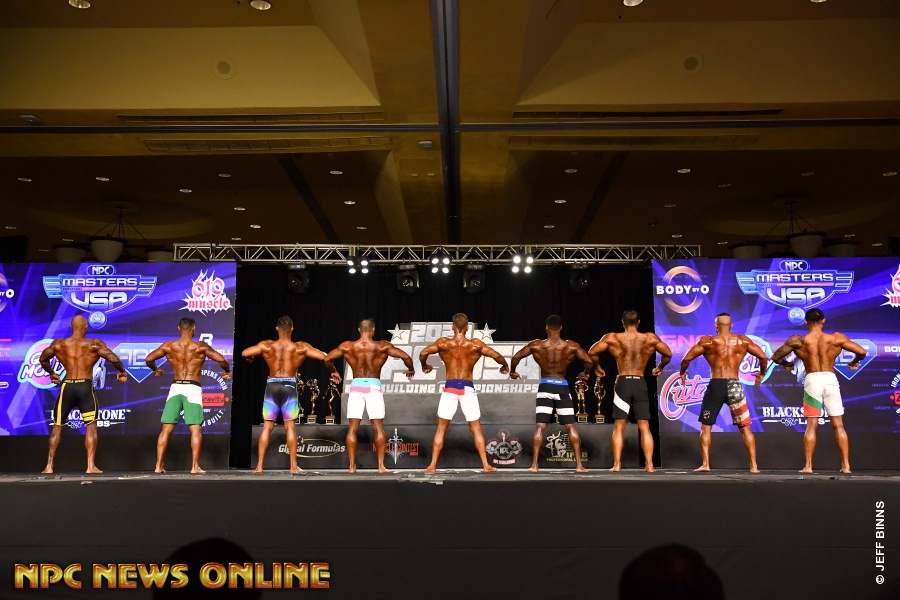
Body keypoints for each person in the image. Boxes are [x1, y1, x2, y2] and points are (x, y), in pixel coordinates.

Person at [770, 308, 865, 474]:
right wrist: (854, 361)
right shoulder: (836, 338)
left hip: (812, 380)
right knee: (838, 424)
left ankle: (808, 466)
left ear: (805, 322)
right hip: (830, 379)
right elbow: (862, 352)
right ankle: (846, 466)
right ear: (823, 321)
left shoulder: (798, 341)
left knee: (811, 425)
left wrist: (787, 364)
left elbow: (776, 356)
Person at [241, 315, 337, 474]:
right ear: (292, 329)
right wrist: (333, 371)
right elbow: (326, 358)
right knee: (290, 426)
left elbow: (245, 353)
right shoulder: (300, 347)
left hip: (272, 386)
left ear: (276, 328)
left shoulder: (267, 345)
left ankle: (259, 466)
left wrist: (250, 358)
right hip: (289, 386)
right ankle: (293, 466)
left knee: (267, 426)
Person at [419, 313, 509, 473]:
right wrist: (504, 366)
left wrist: (424, 365)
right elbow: (497, 356)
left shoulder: (444, 343)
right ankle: (486, 466)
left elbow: (423, 353)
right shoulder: (475, 344)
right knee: (476, 428)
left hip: (450, 387)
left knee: (441, 428)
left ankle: (432, 466)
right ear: (467, 328)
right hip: (467, 388)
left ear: (452, 327)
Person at [679, 312, 768, 473]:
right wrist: (761, 374)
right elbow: (763, 357)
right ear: (731, 325)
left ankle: (706, 464)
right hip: (734, 385)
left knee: (706, 426)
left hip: (716, 385)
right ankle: (754, 466)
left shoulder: (708, 342)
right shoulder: (743, 341)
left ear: (716, 326)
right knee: (745, 427)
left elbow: (686, 358)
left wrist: (682, 372)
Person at [38, 315, 127, 474]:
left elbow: (43, 359)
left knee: (57, 426)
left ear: (71, 326)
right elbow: (113, 358)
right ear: (86, 326)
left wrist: (52, 373)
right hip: (84, 386)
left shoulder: (59, 344)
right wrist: (121, 371)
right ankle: (90, 466)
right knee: (91, 427)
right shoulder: (94, 344)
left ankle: (49, 466)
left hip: (67, 386)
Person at [323, 318, 414, 474]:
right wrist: (411, 369)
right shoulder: (382, 346)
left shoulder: (348, 346)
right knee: (378, 427)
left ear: (359, 330)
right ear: (373, 330)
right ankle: (381, 466)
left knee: (353, 428)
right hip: (373, 386)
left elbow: (327, 359)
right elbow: (406, 357)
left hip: (356, 386)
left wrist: (334, 371)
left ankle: (352, 467)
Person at [588, 310, 672, 472]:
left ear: (622, 322)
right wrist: (659, 367)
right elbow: (668, 354)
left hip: (623, 383)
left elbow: (592, 352)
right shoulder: (649, 338)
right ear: (638, 322)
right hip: (640, 382)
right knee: (644, 426)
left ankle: (617, 465)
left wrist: (597, 367)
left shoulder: (613, 338)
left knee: (619, 426)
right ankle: (650, 465)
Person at [145, 318, 231, 474]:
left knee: (166, 429)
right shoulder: (200, 347)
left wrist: (155, 370)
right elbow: (222, 360)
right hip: (192, 388)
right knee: (195, 429)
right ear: (194, 329)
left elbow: (149, 359)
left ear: (179, 328)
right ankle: (194, 467)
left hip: (176, 388)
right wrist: (227, 371)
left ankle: (158, 466)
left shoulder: (169, 346)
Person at [509, 314, 592, 472]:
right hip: (562, 387)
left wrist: (513, 371)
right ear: (561, 328)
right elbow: (588, 361)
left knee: (540, 427)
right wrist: (585, 373)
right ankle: (579, 466)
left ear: (546, 328)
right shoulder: (571, 346)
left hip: (545, 386)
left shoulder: (537, 345)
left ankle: (534, 465)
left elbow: (516, 357)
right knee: (570, 426)